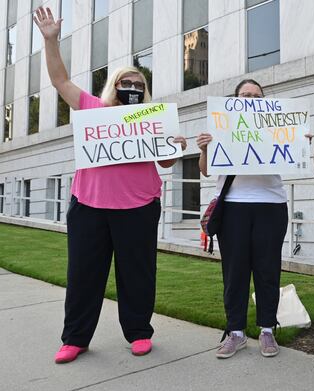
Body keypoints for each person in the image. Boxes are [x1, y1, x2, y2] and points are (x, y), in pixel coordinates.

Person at [34, 6, 187, 363]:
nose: (131, 87)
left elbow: (164, 162)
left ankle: (138, 333)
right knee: (84, 275)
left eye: (138, 84)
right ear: (113, 85)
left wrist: (174, 147)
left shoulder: (153, 118)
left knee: (138, 274)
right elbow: (60, 81)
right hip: (89, 205)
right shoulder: (91, 108)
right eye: (126, 82)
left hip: (138, 207)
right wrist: (51, 42)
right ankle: (75, 338)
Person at [196, 79, 288, 359]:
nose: (250, 100)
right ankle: (235, 332)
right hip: (234, 206)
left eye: (256, 96)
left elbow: (291, 155)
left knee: (268, 270)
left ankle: (267, 329)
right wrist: (203, 150)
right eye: (244, 95)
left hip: (271, 204)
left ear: (264, 102)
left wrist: (296, 140)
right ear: (234, 100)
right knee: (234, 272)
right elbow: (205, 171)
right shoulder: (221, 127)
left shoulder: (276, 126)